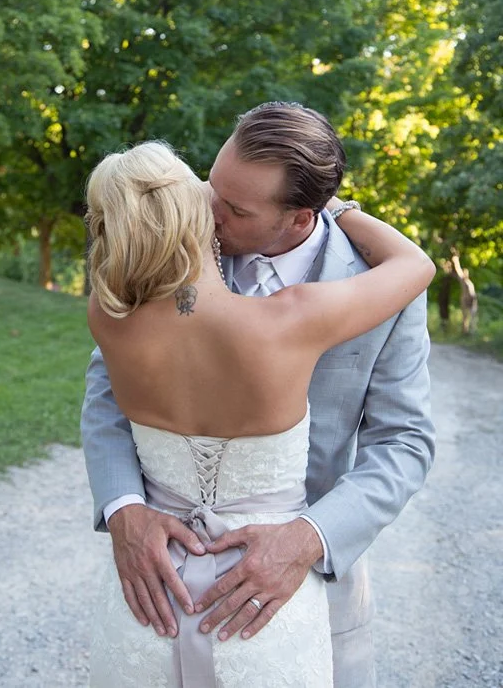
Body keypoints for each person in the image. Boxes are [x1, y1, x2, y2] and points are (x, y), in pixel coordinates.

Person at [82, 106, 435, 688]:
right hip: (155, 579)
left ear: (301, 217)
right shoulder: (167, 256)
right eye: (209, 185)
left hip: (308, 587)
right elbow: (105, 395)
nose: (206, 209)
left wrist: (308, 539)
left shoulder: (375, 286)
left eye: (235, 208)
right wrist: (123, 508)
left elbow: (404, 441)